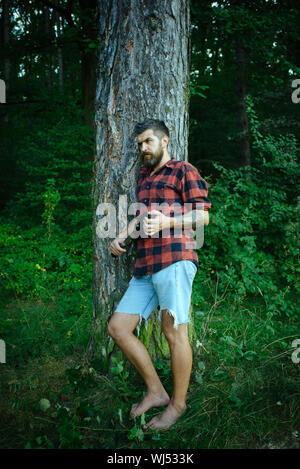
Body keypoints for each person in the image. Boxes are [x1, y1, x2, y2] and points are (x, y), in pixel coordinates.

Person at [108, 119, 211, 430]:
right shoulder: (144, 175)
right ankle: (156, 391)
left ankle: (177, 406)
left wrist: (167, 223)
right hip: (146, 264)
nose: (143, 148)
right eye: (140, 143)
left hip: (175, 259)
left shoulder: (182, 170)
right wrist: (122, 236)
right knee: (118, 327)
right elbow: (142, 216)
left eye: (149, 141)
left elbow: (203, 214)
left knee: (173, 332)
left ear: (165, 141)